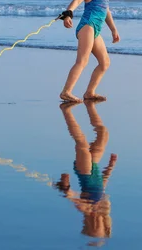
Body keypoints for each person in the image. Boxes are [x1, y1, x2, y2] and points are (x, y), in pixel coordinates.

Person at [58, 0, 120, 103]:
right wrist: (68, 14)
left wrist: (113, 29)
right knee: (82, 61)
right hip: (87, 26)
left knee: (105, 63)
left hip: (96, 30)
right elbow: (77, 0)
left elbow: (106, 12)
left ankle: (90, 92)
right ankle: (66, 92)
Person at [54, 100, 118, 243]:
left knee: (82, 143)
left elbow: (71, 197)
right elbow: (102, 184)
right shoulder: (102, 207)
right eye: (98, 226)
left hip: (84, 171)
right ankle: (90, 105)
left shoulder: (86, 209)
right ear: (104, 224)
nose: (95, 223)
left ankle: (66, 111)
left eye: (92, 226)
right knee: (103, 133)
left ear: (87, 223)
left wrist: (65, 185)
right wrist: (110, 166)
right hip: (94, 167)